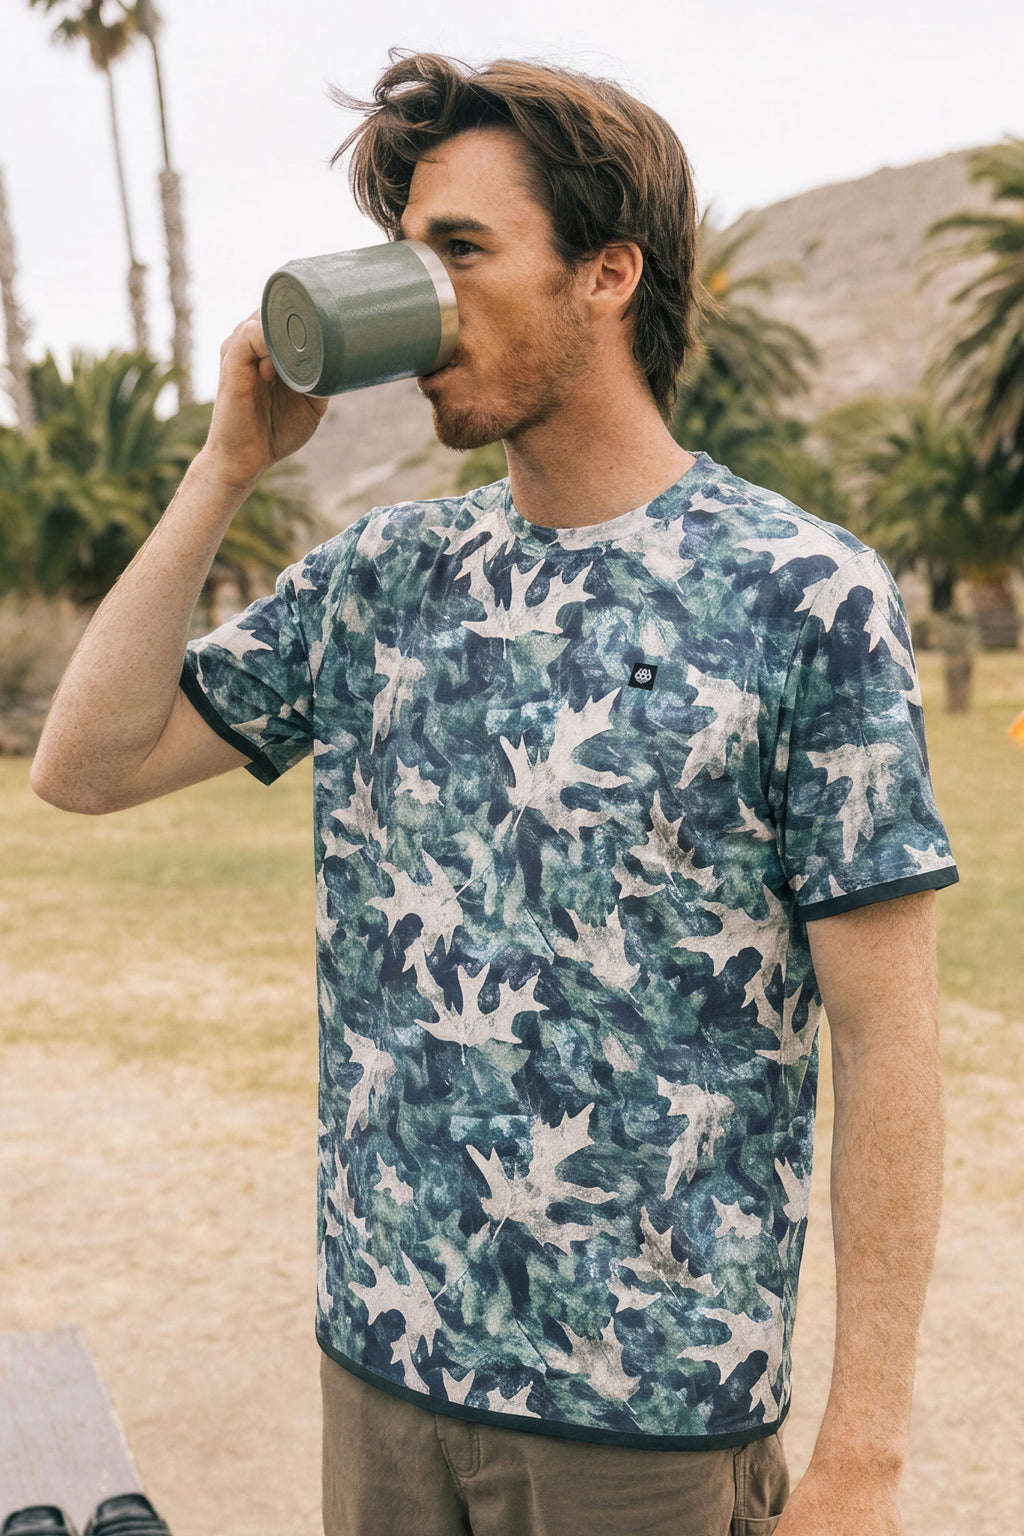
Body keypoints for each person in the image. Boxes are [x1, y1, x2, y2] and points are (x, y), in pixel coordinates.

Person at [32, 51, 958, 1536]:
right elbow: (83, 765)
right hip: (382, 1375)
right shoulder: (382, 577)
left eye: (461, 251)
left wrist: (866, 1456)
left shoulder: (803, 595)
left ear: (607, 274)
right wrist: (223, 472)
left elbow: (890, 1038)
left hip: (650, 1421)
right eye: (406, 256)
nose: (423, 298)